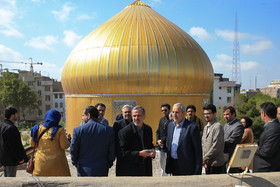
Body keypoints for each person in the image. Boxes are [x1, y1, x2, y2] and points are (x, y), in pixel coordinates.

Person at [71, 106, 115, 176]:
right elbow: (112, 150)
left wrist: (75, 163)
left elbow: (73, 149)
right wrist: (109, 163)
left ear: (88, 115)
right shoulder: (108, 130)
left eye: (83, 115)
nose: (82, 118)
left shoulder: (78, 130)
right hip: (102, 168)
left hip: (83, 168)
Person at [30, 109, 71, 176]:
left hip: (41, 163)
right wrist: (68, 139)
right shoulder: (60, 130)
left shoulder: (37, 129)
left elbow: (32, 144)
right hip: (57, 164)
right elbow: (64, 146)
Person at [166, 103, 202, 175]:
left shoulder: (192, 127)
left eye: (177, 112)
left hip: (187, 167)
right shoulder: (170, 126)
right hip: (173, 165)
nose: (174, 115)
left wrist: (197, 170)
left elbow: (198, 151)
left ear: (184, 113)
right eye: (173, 112)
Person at [118, 106, 155, 176]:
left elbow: (150, 144)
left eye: (139, 116)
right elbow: (122, 153)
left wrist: (153, 151)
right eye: (134, 116)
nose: (136, 118)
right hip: (132, 170)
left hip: (146, 169)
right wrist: (139, 153)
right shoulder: (124, 132)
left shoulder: (148, 129)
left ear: (144, 116)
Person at [0, 107, 28, 177]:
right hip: (10, 160)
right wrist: (20, 158)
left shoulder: (2, 125)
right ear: (12, 115)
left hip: (3, 158)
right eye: (16, 114)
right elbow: (14, 145)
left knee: (6, 178)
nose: (17, 116)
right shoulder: (11, 128)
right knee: (11, 179)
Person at [253, 102, 280, 172]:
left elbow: (266, 152)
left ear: (264, 114)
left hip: (266, 169)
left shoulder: (274, 129)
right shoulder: (271, 127)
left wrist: (254, 147)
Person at [202, 104, 226, 174]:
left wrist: (205, 158)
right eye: (205, 114)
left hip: (216, 164)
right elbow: (203, 144)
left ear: (214, 114)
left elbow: (216, 146)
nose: (206, 116)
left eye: (208, 113)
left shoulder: (217, 126)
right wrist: (205, 160)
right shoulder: (206, 127)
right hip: (207, 163)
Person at [113, 105, 132, 176]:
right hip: (122, 154)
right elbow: (114, 139)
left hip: (133, 154)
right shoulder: (117, 124)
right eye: (125, 112)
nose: (127, 114)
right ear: (122, 113)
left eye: (129, 112)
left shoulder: (135, 123)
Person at [223, 106, 244, 173]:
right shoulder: (226, 124)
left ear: (233, 114)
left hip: (232, 157)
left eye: (227, 114)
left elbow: (232, 141)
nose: (225, 116)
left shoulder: (238, 126)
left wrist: (219, 143)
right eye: (224, 115)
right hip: (224, 156)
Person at [156, 103, 170, 176]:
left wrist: (163, 140)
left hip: (168, 147)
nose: (164, 112)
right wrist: (158, 140)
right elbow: (158, 131)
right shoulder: (161, 120)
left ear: (169, 110)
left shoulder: (172, 121)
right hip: (161, 147)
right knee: (162, 165)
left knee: (169, 164)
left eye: (165, 110)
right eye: (162, 111)